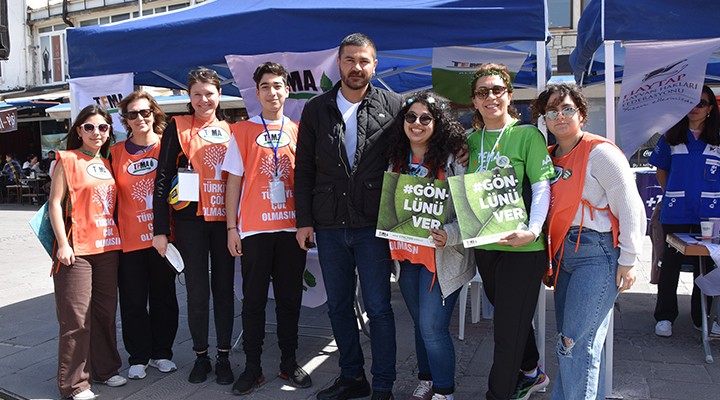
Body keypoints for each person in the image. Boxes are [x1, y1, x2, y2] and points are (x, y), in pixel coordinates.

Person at [294, 33, 403, 400]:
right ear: (338, 64)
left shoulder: (395, 105)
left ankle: (384, 384)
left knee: (378, 307)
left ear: (375, 64)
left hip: (374, 224)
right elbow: (304, 169)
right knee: (338, 306)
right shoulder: (316, 108)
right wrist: (304, 220)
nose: (356, 67)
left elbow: (413, 155)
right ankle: (352, 377)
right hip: (328, 224)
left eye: (364, 61)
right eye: (349, 60)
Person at [532, 84, 645, 400]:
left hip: (596, 254)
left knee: (576, 343)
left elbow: (630, 205)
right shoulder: (549, 156)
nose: (560, 116)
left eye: (567, 108)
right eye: (552, 111)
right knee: (573, 343)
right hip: (564, 255)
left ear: (581, 113)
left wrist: (629, 259)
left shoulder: (600, 153)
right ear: (545, 119)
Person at [466, 63, 555, 400]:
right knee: (511, 318)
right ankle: (532, 371)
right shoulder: (471, 141)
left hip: (523, 248)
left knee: (504, 331)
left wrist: (533, 231)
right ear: (474, 101)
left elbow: (543, 187)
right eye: (483, 92)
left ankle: (498, 393)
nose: (491, 97)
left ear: (509, 95)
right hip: (486, 246)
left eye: (497, 90)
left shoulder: (527, 134)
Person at [222, 62, 312, 395]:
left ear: (287, 90)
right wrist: (232, 227)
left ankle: (289, 363)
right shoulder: (242, 131)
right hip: (254, 231)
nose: (272, 92)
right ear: (256, 92)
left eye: (277, 86)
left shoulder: (300, 131)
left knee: (290, 301)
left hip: (291, 231)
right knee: (254, 302)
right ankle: (253, 368)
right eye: (265, 86)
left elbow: (307, 181)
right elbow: (233, 182)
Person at [386, 91, 474, 400]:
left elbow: (473, 212)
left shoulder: (454, 160)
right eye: (411, 117)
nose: (417, 123)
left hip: (442, 257)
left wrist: (451, 233)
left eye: (426, 118)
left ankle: (444, 391)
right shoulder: (394, 159)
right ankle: (427, 379)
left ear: (438, 122)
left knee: (433, 327)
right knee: (420, 324)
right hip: (406, 257)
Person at [152, 68, 235, 385]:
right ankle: (201, 356)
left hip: (225, 222)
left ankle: (224, 356)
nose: (204, 100)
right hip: (190, 224)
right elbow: (161, 179)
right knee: (197, 292)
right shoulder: (178, 126)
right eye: (197, 94)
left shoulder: (232, 129)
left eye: (209, 93)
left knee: (224, 291)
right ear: (189, 97)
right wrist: (161, 229)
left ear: (218, 94)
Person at [47, 105, 126, 399]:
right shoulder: (66, 160)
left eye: (103, 127)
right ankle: (75, 383)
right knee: (76, 318)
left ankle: (105, 370)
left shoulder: (107, 163)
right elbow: (55, 204)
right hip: (75, 249)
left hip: (107, 247)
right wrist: (63, 245)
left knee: (105, 313)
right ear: (78, 130)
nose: (96, 133)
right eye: (89, 127)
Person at [110, 91, 179, 380]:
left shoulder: (169, 146)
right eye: (133, 114)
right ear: (125, 120)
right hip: (129, 239)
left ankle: (162, 352)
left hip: (164, 237)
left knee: (164, 297)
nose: (140, 118)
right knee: (133, 300)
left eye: (145, 112)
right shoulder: (114, 152)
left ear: (154, 113)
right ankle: (138, 355)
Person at [651, 85, 720, 337]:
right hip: (676, 213)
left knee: (708, 266)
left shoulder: (718, 138)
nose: (695, 107)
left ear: (710, 108)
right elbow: (661, 171)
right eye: (691, 102)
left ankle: (701, 317)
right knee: (670, 264)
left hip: (711, 214)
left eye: (701, 103)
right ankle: (665, 316)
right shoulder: (671, 136)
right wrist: (673, 194)